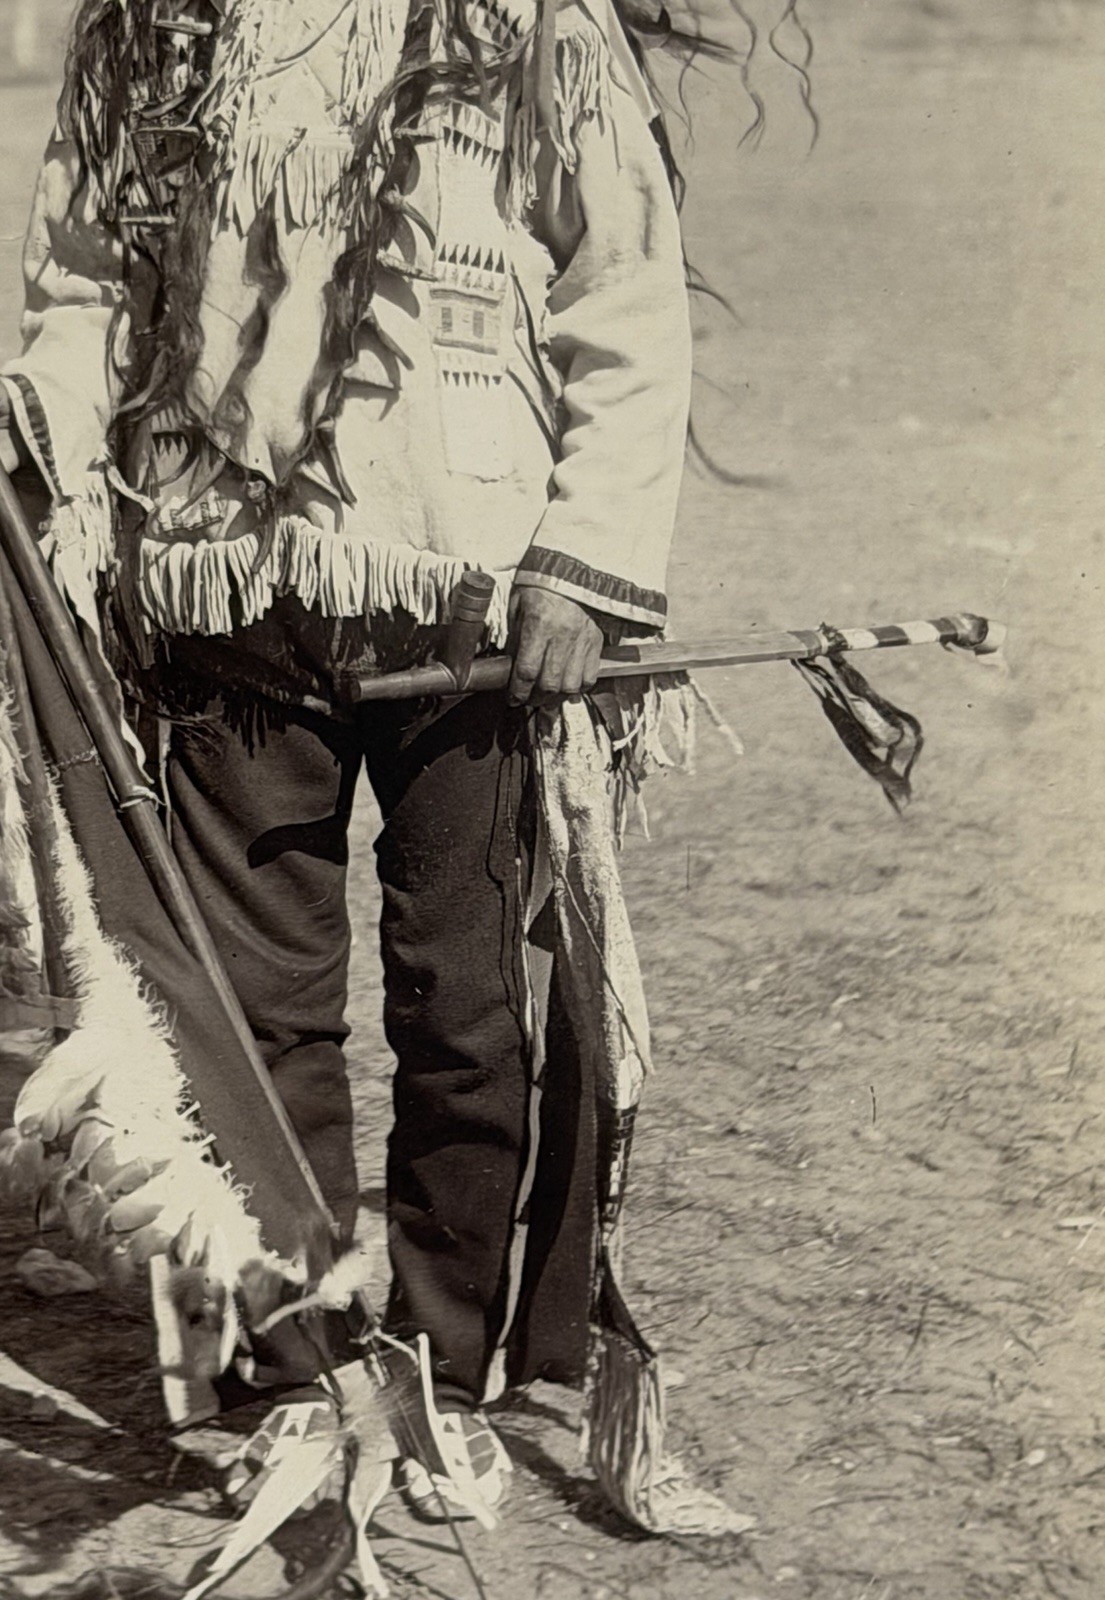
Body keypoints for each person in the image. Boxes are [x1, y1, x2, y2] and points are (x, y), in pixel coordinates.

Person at [0, 0, 747, 1535]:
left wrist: (584, 567)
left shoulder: (531, 27)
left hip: (468, 594)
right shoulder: (157, 30)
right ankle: (287, 1370)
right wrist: (49, 449)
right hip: (215, 591)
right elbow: (85, 281)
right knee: (237, 1010)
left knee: (469, 1012)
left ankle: (438, 1361)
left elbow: (626, 293)